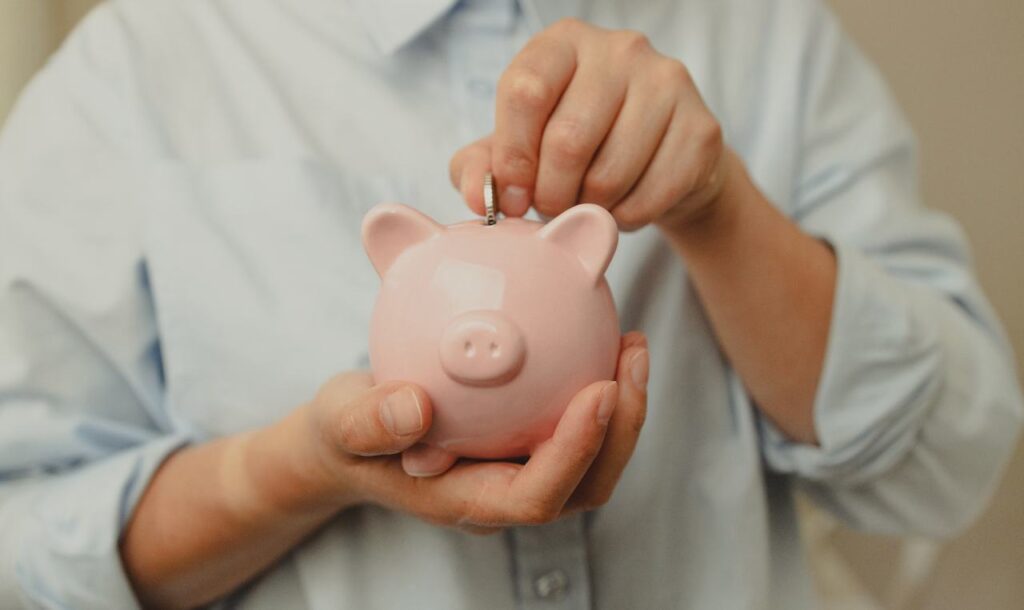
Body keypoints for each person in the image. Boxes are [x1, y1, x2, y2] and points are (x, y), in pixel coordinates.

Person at [0, 0, 1021, 608]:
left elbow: (947, 466)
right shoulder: (139, 65)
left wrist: (718, 208)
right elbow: (22, 541)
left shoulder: (760, 29)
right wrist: (292, 476)